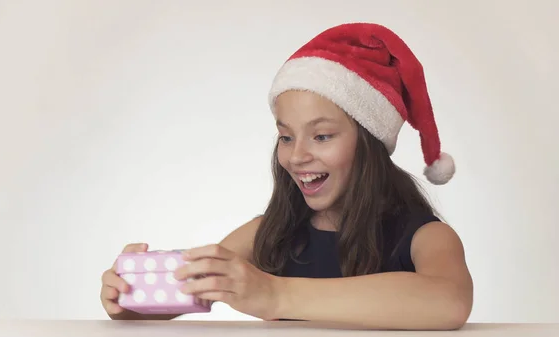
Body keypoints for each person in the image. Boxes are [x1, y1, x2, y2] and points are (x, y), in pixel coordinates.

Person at [100, 22, 473, 330]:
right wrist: (131, 297)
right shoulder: (270, 233)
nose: (296, 156)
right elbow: (195, 286)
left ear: (370, 143)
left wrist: (274, 294)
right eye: (286, 137)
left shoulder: (427, 237)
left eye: (322, 136)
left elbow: (449, 302)